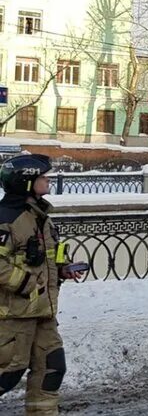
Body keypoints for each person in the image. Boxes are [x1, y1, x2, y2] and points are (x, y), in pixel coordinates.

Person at [0, 154, 73, 415]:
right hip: (13, 317)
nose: (48, 180)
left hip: (43, 313)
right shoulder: (7, 218)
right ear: (27, 182)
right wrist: (27, 283)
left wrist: (63, 268)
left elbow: (48, 255)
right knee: (7, 373)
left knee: (51, 369)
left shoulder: (41, 216)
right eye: (43, 177)